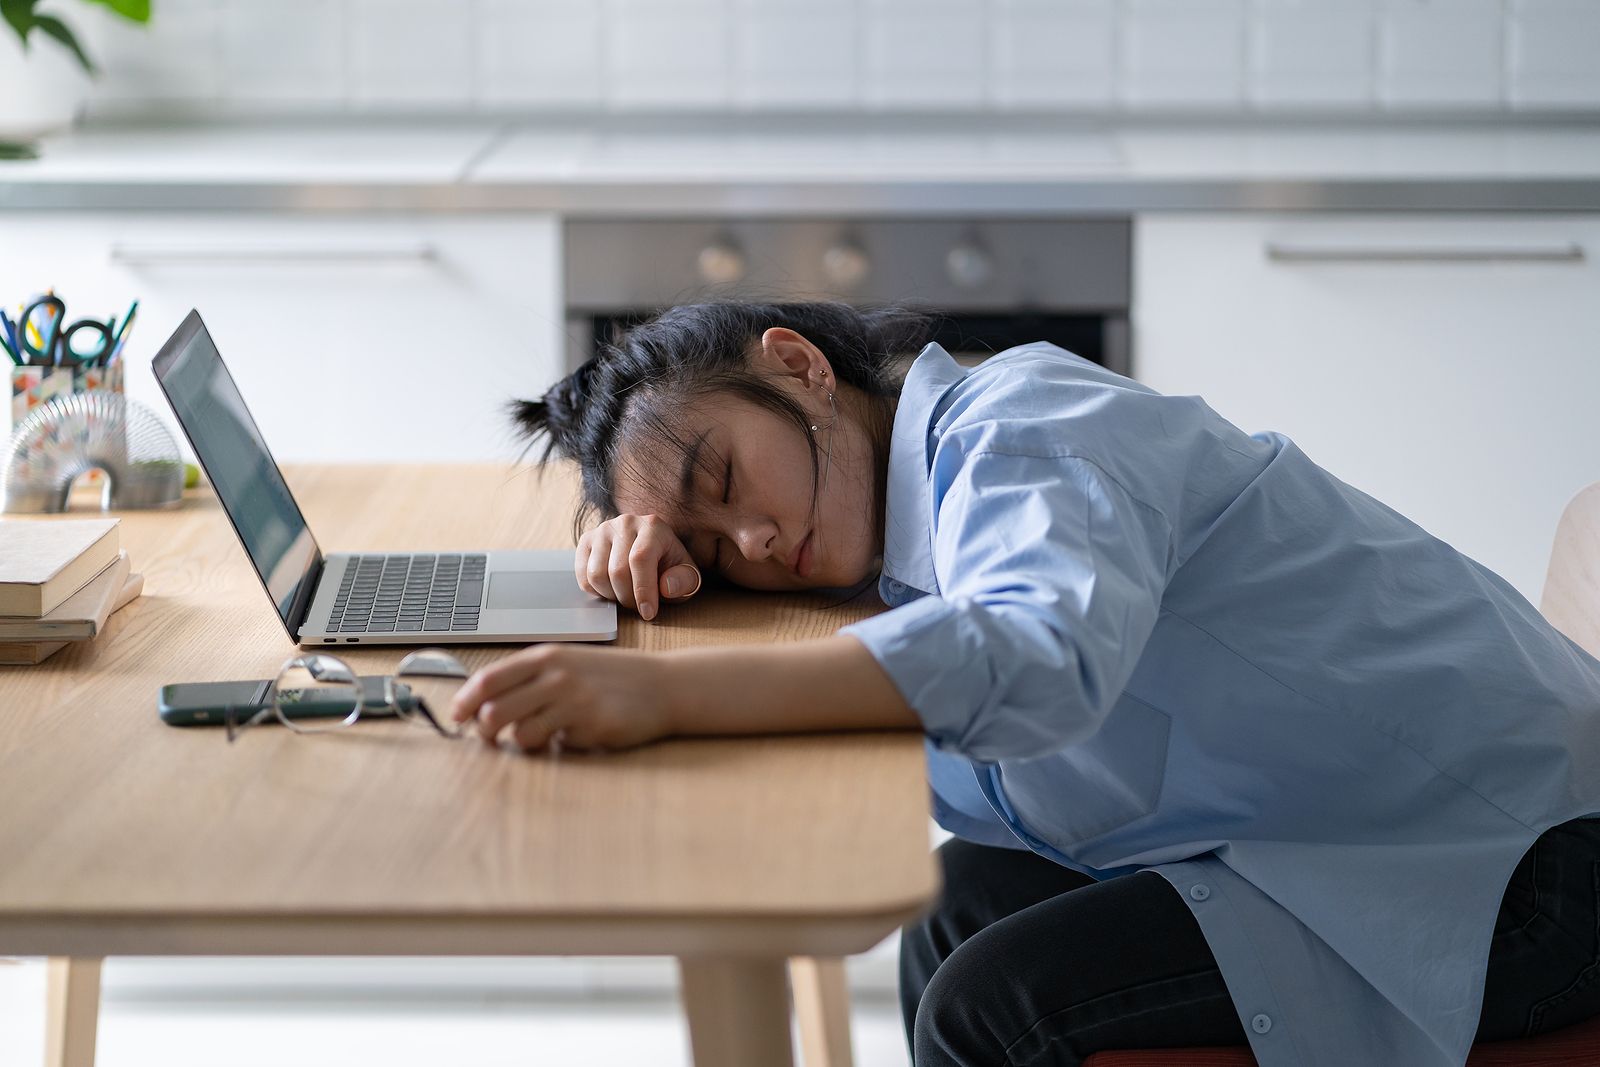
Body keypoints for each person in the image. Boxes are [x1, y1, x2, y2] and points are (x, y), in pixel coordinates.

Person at [448, 301, 1600, 1067]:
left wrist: (670, 693)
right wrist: (661, 565)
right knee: (949, 910)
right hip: (1362, 818)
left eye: (727, 478)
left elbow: (1036, 658)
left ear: (797, 365)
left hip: (1532, 862)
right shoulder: (883, 529)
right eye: (712, 537)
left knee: (991, 1003)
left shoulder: (1028, 429)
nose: (753, 537)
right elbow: (920, 648)